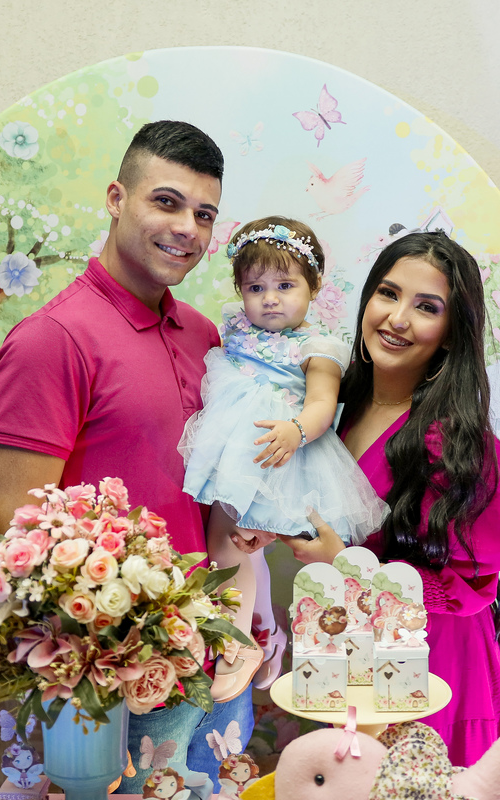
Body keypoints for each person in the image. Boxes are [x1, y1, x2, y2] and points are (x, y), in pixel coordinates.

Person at [0, 120, 252, 791]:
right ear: (115, 198)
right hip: (109, 681)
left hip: (206, 659)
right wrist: (104, 669)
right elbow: (17, 532)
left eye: (204, 214)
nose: (187, 228)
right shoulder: (51, 340)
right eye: (167, 202)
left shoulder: (203, 336)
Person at [242, 231, 500, 793]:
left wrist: (345, 565)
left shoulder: (457, 443)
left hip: (437, 667)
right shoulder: (333, 406)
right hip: (349, 656)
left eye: (426, 307)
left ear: (451, 332)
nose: (397, 318)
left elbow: (471, 586)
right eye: (388, 294)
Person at [178, 216, 387, 701]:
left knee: (228, 543)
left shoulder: (318, 346)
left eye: (285, 285)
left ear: (314, 286)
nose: (269, 298)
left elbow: (321, 404)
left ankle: (236, 644)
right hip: (237, 446)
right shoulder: (237, 328)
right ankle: (264, 630)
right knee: (238, 544)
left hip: (277, 452)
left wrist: (296, 430)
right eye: (256, 288)